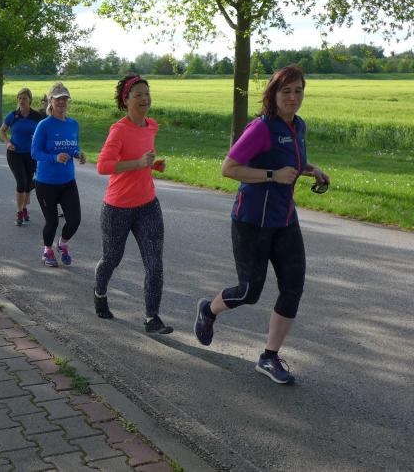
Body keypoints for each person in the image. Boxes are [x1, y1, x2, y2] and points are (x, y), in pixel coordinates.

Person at [194, 65, 330, 384]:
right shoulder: (261, 128)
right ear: (273, 94)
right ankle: (208, 310)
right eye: (286, 91)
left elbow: (290, 162)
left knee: (293, 287)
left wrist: (312, 170)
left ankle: (269, 357)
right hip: (252, 221)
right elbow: (229, 168)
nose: (293, 97)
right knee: (249, 291)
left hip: (285, 220)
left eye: (298, 91)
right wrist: (272, 176)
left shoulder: (298, 126)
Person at [93, 74, 172, 334]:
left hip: (148, 204)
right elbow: (103, 166)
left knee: (155, 264)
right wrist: (138, 163)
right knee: (111, 259)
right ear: (126, 100)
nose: (144, 99)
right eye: (138, 95)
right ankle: (100, 293)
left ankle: (152, 318)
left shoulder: (152, 126)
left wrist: (153, 165)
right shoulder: (119, 129)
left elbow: (140, 162)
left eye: (147, 94)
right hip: (117, 207)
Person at [30, 82, 86, 267]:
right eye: (58, 99)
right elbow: (35, 153)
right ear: (51, 102)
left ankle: (62, 243)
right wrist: (54, 157)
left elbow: (74, 146)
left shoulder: (73, 124)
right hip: (46, 182)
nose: (62, 102)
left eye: (65, 99)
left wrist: (78, 153)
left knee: (75, 220)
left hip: (68, 181)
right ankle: (47, 251)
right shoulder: (44, 125)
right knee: (52, 222)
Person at [0, 87, 43, 225]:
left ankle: (24, 208)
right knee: (21, 182)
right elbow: (2, 131)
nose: (21, 101)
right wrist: (8, 143)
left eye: (24, 98)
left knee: (29, 183)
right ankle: (19, 212)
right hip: (15, 154)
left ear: (30, 100)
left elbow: (44, 132)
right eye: (19, 98)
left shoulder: (37, 117)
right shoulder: (13, 115)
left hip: (31, 155)